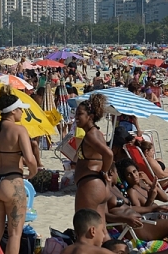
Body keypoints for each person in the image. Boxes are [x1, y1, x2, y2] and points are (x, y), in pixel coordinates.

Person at [0, 85, 38, 254]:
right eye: (20, 110)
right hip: (11, 182)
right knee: (14, 234)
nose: (22, 113)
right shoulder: (19, 130)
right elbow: (30, 159)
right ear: (12, 111)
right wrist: (33, 172)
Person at [74, 94, 113, 234]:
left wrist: (104, 171)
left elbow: (108, 154)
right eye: (75, 114)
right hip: (98, 186)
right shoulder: (95, 133)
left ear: (90, 116)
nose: (76, 117)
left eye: (80, 114)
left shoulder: (91, 135)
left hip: (90, 185)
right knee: (101, 232)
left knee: (85, 231)